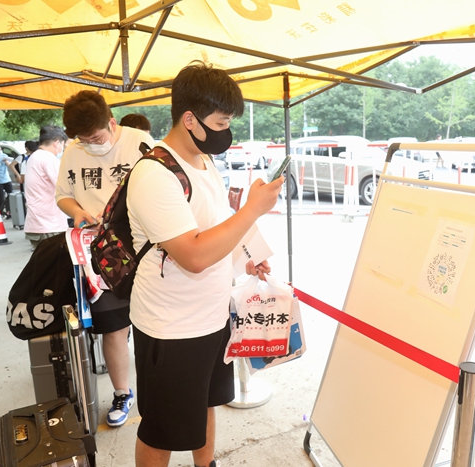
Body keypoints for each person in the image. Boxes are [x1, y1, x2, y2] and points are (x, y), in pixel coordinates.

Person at [127, 61, 283, 467]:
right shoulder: (154, 174)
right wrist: (252, 210)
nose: (225, 131)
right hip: (171, 327)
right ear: (190, 120)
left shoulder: (203, 162)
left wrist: (245, 260)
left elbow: (214, 229)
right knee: (161, 430)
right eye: (221, 122)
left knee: (207, 403)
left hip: (211, 317)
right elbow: (193, 255)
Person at [56, 90, 155, 428]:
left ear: (111, 122)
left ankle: (157, 389)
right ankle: (122, 393)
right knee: (113, 328)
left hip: (143, 249)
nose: (90, 144)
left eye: (96, 138)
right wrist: (78, 212)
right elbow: (62, 196)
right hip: (100, 254)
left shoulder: (140, 142)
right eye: (83, 140)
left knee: (152, 324)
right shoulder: (73, 151)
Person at [24, 127, 68, 249]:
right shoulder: (48, 158)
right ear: (57, 143)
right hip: (49, 225)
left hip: (38, 222)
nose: (62, 148)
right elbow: (65, 187)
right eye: (63, 144)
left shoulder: (35, 156)